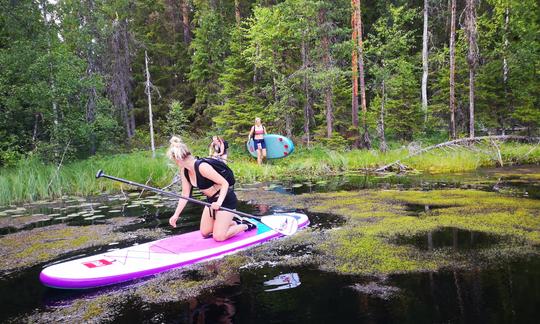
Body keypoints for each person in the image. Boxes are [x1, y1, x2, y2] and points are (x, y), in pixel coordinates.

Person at [167, 136, 255, 241]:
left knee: (218, 237)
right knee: (205, 233)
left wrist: (219, 202)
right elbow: (185, 194)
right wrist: (176, 214)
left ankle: (245, 225)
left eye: (174, 161)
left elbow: (224, 183)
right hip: (211, 202)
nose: (175, 163)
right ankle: (233, 222)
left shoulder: (202, 167)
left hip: (225, 200)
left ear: (178, 159)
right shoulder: (184, 171)